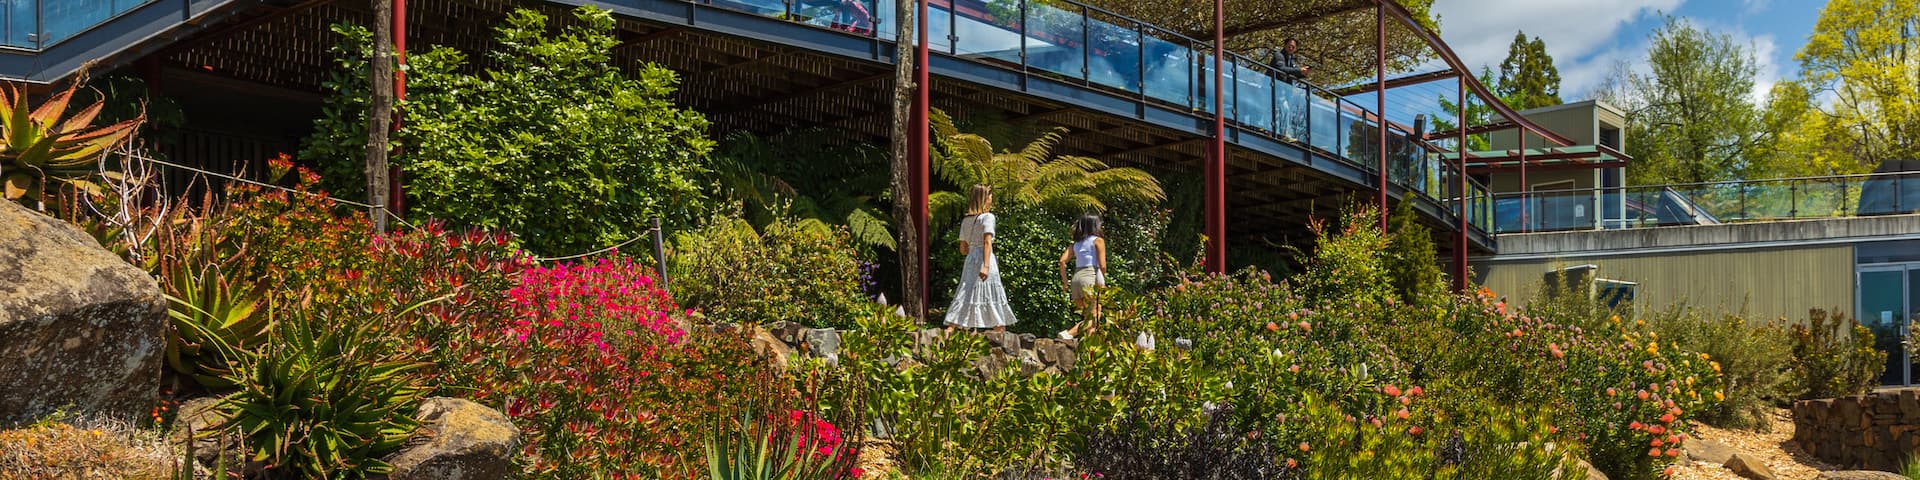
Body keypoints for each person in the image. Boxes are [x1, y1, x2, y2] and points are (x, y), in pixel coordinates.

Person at [944, 185, 1017, 332]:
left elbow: (963, 249)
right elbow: (987, 242)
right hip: (985, 259)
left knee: (965, 293)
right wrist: (986, 265)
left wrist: (973, 251)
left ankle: (949, 331)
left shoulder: (966, 221)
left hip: (971, 259)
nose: (992, 199)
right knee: (992, 295)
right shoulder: (988, 217)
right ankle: (1001, 338)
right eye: (990, 196)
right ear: (984, 198)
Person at [1056, 214, 1106, 340]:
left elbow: (1062, 261)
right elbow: (1102, 265)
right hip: (1090, 277)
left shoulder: (1075, 245)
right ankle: (1069, 334)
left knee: (1088, 319)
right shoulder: (1098, 241)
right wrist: (1101, 280)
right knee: (1096, 315)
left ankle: (1090, 349)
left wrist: (1065, 282)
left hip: (1076, 279)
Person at [1271, 37, 1310, 141]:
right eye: (1290, 45)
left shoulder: (1291, 59)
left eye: (1293, 46)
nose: (1291, 48)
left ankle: (1282, 133)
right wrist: (1298, 70)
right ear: (1285, 45)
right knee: (1282, 109)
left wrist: (1302, 73)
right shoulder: (1279, 55)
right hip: (1272, 88)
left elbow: (1291, 72)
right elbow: (1281, 68)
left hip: (1282, 91)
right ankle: (1280, 133)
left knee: (1283, 110)